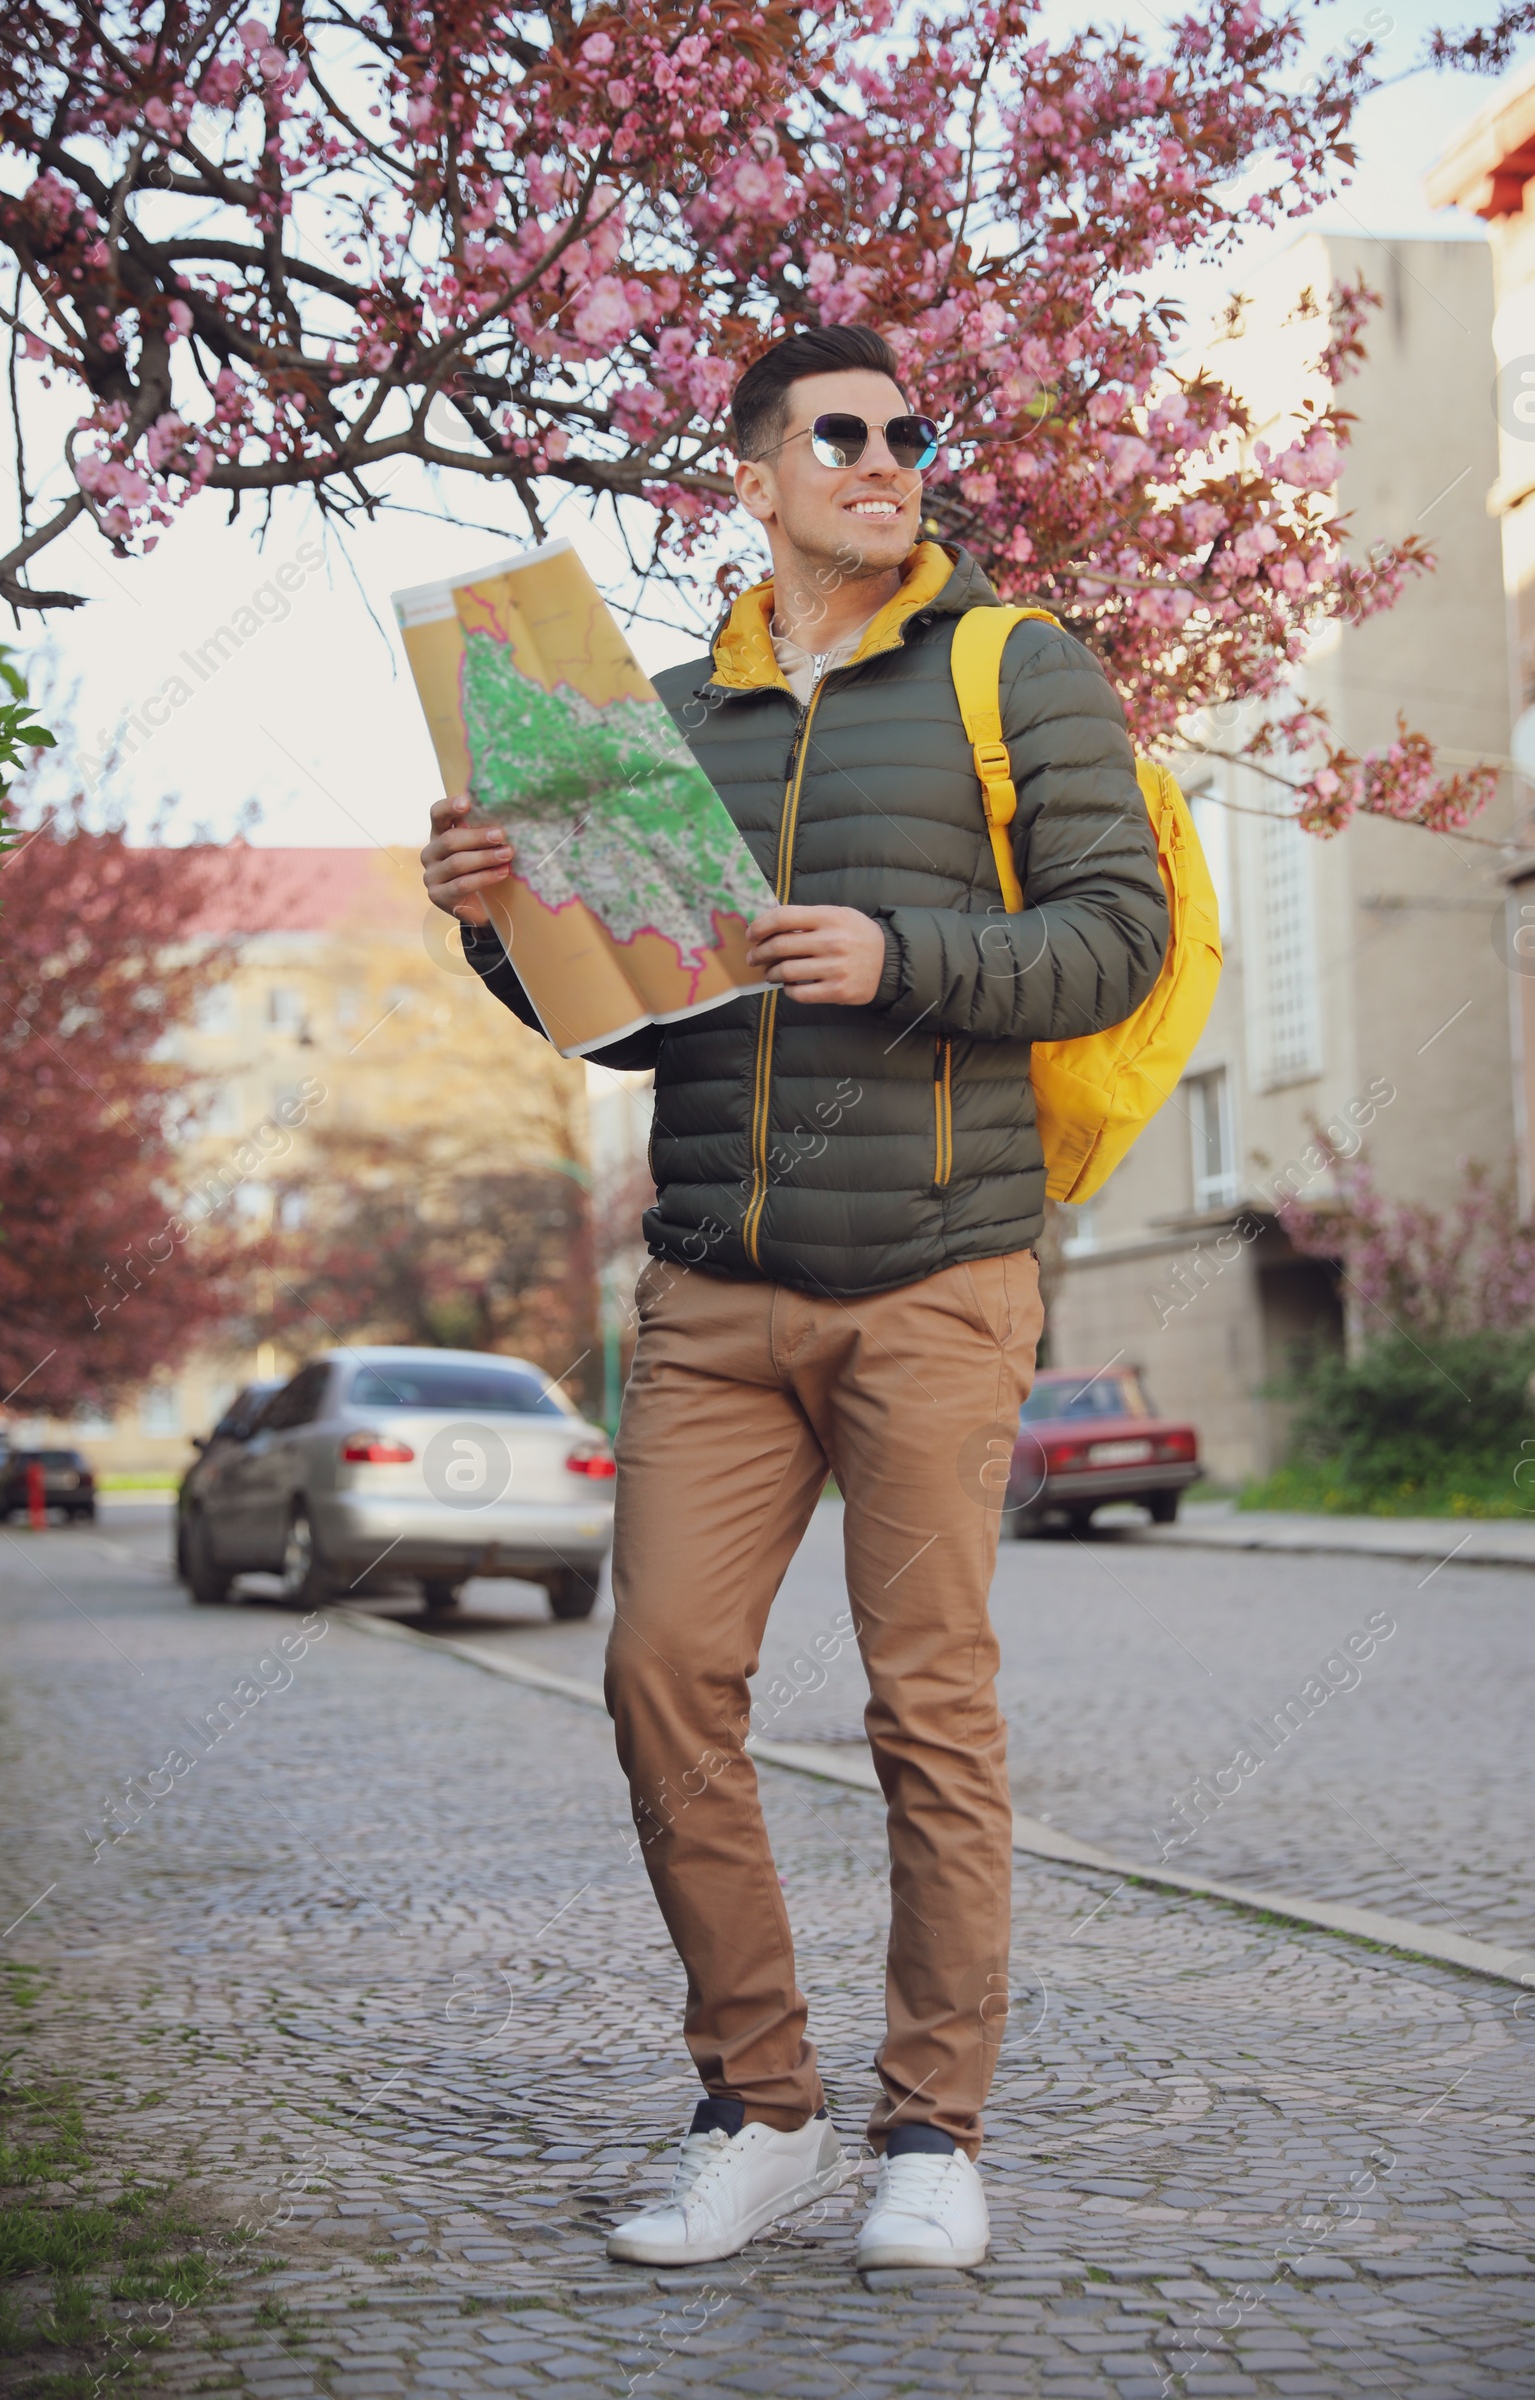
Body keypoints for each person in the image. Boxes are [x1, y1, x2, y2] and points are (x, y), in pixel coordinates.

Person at [421, 324, 1168, 2271]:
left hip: (935, 1277)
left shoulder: (1016, 671)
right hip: (713, 1292)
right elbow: (620, 1020)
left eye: (909, 434)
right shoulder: (656, 718)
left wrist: (896, 949)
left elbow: (1115, 935)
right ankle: (756, 2107)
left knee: (929, 1711)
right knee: (659, 1676)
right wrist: (503, 916)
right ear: (748, 477)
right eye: (841, 432)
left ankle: (932, 2137)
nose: (886, 457)